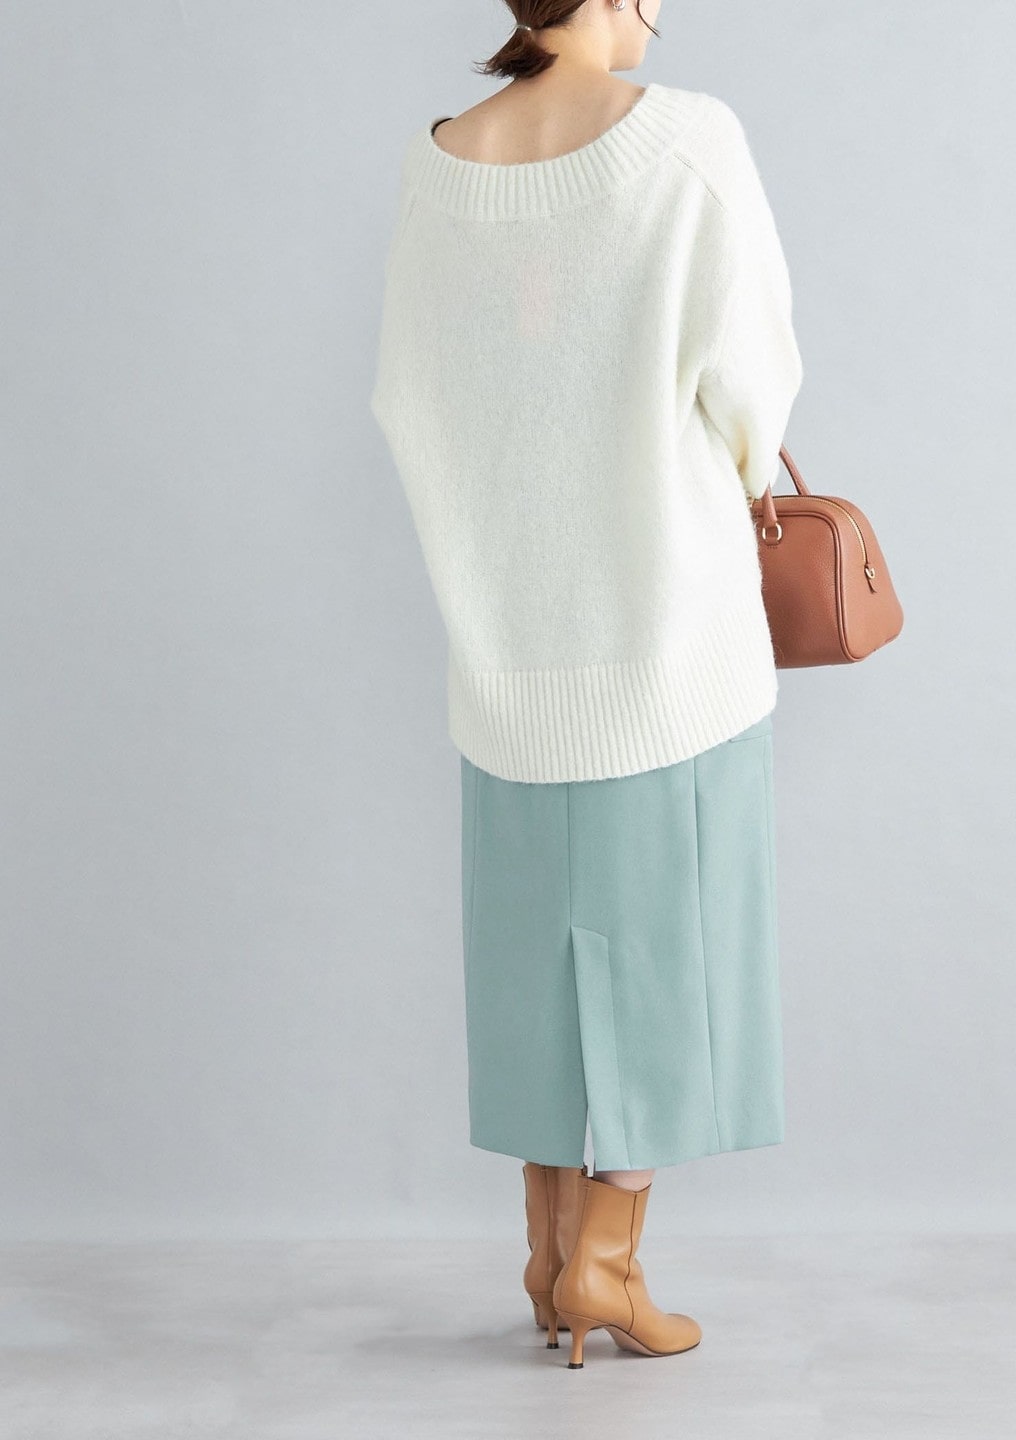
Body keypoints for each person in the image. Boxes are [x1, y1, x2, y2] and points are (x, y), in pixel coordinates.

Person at [369, 0, 803, 1369]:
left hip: (507, 652)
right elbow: (754, 383)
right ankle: (609, 1267)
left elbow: (409, 396)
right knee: (672, 961)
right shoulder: (687, 142)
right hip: (668, 636)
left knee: (533, 974)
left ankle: (549, 1267)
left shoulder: (441, 162)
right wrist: (738, 470)